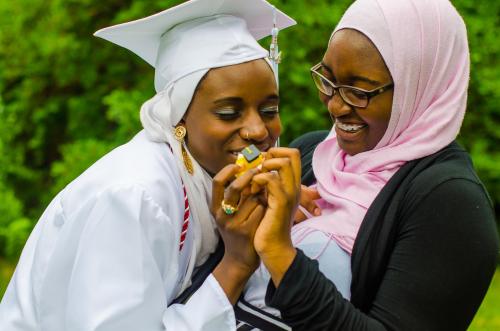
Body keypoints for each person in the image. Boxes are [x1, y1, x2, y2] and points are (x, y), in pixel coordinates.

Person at [0, 0, 297, 330]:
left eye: (269, 111)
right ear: (177, 120)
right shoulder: (133, 196)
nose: (258, 130)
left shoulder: (202, 175)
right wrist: (236, 263)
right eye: (229, 113)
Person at [216, 0, 499, 330]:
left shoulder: (452, 204)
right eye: (328, 79)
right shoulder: (313, 152)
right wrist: (242, 225)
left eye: (359, 90)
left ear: (419, 85)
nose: (335, 105)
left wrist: (281, 253)